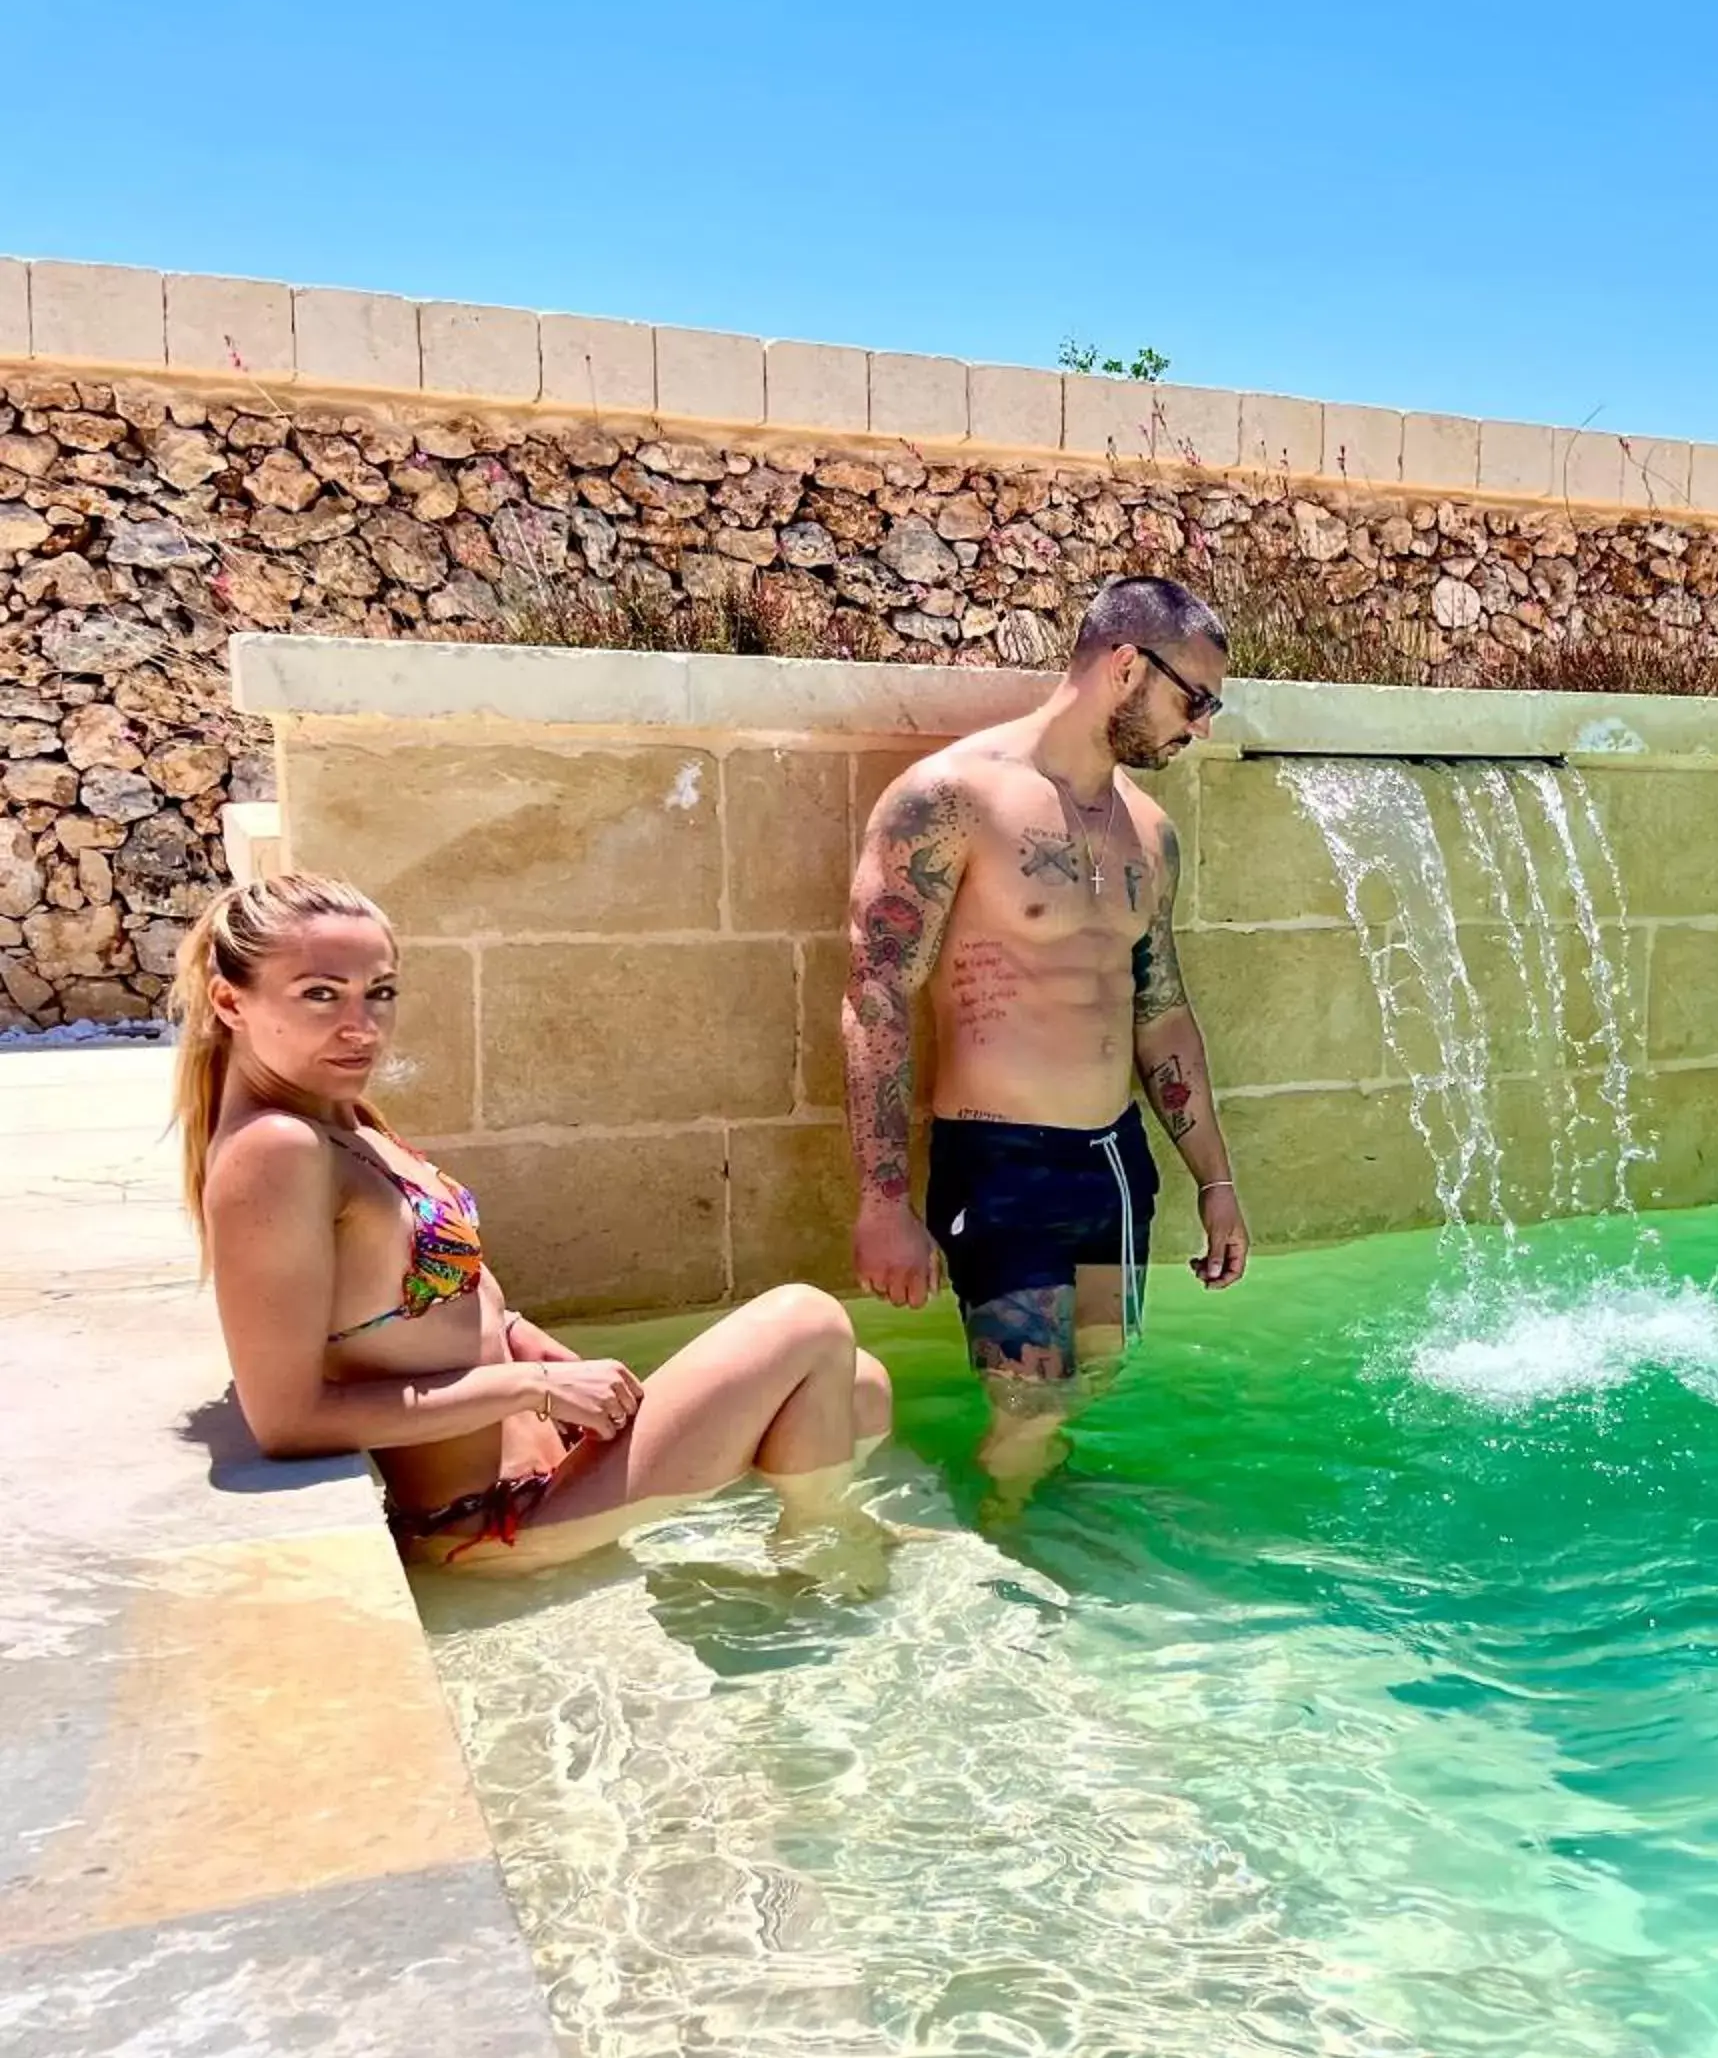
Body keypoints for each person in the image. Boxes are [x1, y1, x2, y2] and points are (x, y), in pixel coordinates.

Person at [174, 871, 893, 1576]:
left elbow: (451, 1304)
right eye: (319, 995)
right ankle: (824, 1544)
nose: (362, 1027)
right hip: (491, 1527)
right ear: (230, 1002)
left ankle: (815, 1547)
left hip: (553, 1475)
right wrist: (530, 1391)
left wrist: (542, 1357)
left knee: (856, 1383)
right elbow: (287, 1421)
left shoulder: (343, 1121)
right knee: (807, 1318)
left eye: (380, 992)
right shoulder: (276, 1151)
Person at [845, 573, 1250, 1506]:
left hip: (1113, 1165)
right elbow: (877, 996)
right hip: (1002, 1165)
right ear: (1123, 666)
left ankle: (1045, 1543)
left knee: (1089, 1388)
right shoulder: (953, 797)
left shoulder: (1151, 832)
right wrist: (883, 1200)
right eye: (1196, 698)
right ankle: (1002, 1584)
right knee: (1028, 1402)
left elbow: (1162, 1009)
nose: (1201, 726)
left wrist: (1216, 1182)